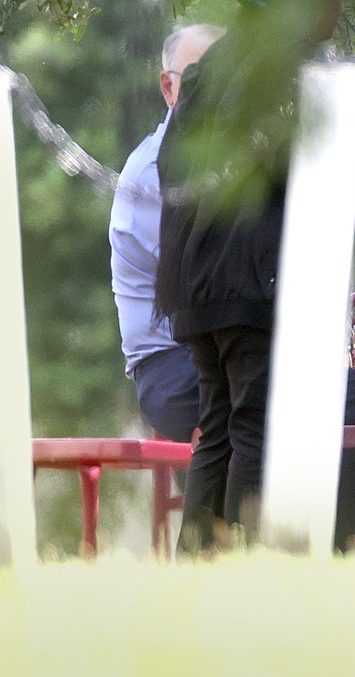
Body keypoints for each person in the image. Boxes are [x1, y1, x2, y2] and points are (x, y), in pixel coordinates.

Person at [155, 0, 355, 552]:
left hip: (198, 280)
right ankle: (247, 563)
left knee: (218, 428)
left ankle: (196, 566)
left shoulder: (217, 63)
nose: (339, 7)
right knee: (254, 427)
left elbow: (177, 166)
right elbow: (309, 162)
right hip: (250, 277)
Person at [110, 23, 223, 444]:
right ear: (167, 88)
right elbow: (205, 287)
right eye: (196, 79)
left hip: (221, 358)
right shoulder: (152, 172)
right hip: (175, 369)